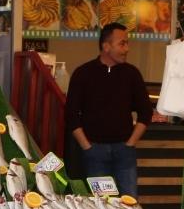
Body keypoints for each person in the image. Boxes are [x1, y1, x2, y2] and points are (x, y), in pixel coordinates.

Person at [64, 22, 154, 198]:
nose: (127, 48)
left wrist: (130, 143)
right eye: (122, 43)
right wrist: (87, 147)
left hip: (124, 152)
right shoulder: (83, 73)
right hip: (94, 151)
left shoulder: (132, 74)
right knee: (102, 206)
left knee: (129, 204)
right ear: (106, 46)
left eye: (127, 43)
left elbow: (146, 112)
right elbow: (71, 115)